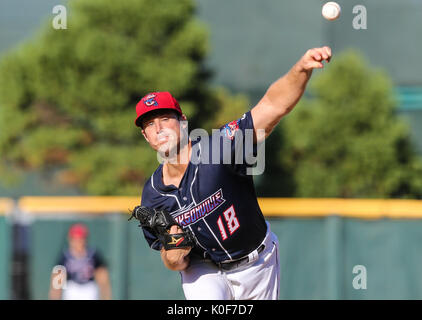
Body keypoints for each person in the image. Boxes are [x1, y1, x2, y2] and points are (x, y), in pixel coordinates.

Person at [134, 47, 332, 300]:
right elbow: (173, 261)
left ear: (182, 120)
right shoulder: (152, 194)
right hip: (203, 268)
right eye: (149, 124)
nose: (158, 128)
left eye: (164, 118)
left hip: (257, 262)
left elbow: (272, 106)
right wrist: (173, 251)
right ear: (145, 135)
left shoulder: (219, 149)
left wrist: (302, 68)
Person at [48, 223, 112, 300]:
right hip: (72, 289)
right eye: (75, 239)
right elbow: (57, 285)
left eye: (80, 239)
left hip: (89, 289)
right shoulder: (64, 257)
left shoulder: (93, 255)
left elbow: (103, 280)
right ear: (70, 240)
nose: (78, 242)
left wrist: (106, 296)